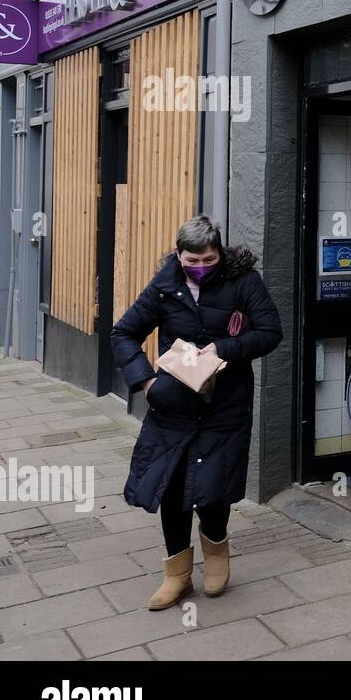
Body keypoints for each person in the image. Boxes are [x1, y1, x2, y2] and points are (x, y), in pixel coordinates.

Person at [111, 215, 282, 610]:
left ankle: (217, 554)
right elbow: (124, 333)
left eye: (208, 259)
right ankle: (177, 575)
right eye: (193, 261)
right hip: (174, 406)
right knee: (170, 489)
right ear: (178, 254)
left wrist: (224, 349)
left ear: (219, 252)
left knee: (213, 488)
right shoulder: (165, 287)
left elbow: (271, 332)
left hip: (226, 405)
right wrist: (147, 384)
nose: (202, 268)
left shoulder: (244, 281)